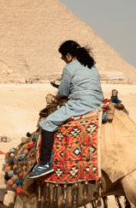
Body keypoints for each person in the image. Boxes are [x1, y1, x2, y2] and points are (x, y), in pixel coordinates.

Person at [27, 40, 104, 180]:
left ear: (68, 55)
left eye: (62, 57)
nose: (63, 60)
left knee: (47, 123)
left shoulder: (70, 67)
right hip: (97, 102)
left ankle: (44, 164)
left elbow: (63, 92)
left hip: (81, 103)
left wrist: (56, 98)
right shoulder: (91, 65)